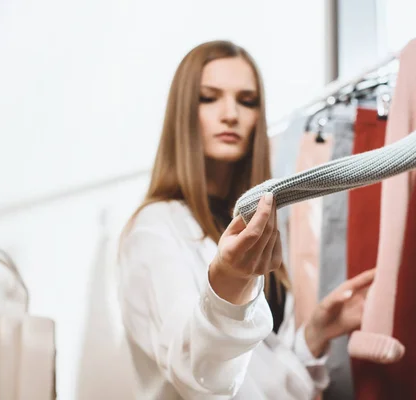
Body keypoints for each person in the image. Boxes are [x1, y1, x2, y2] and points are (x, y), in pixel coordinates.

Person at [118, 40, 376, 400]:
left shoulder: (254, 223)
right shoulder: (155, 229)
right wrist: (230, 283)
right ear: (183, 112)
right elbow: (197, 371)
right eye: (209, 98)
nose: (230, 114)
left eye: (246, 101)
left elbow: (267, 379)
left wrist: (316, 331)